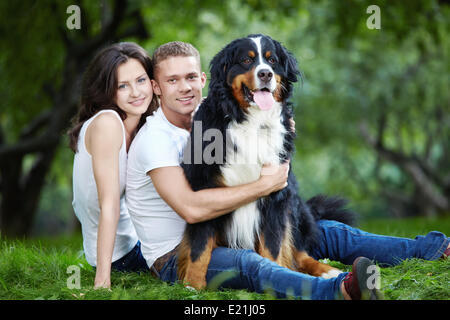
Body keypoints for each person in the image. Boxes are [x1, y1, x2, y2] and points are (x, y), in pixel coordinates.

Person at [126, 41, 388, 300]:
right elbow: (193, 210)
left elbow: (250, 110)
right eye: (172, 80)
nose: (184, 87)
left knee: (333, 233)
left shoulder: (207, 115)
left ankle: (427, 247)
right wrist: (265, 185)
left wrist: (281, 125)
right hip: (173, 256)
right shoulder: (155, 139)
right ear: (156, 87)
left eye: (191, 77)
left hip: (241, 233)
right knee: (250, 263)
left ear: (204, 79)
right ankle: (341, 289)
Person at [69, 42, 158, 289]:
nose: (136, 92)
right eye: (122, 86)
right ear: (107, 91)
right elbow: (108, 204)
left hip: (136, 243)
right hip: (124, 255)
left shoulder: (140, 125)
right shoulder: (108, 123)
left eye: (141, 80)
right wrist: (102, 281)